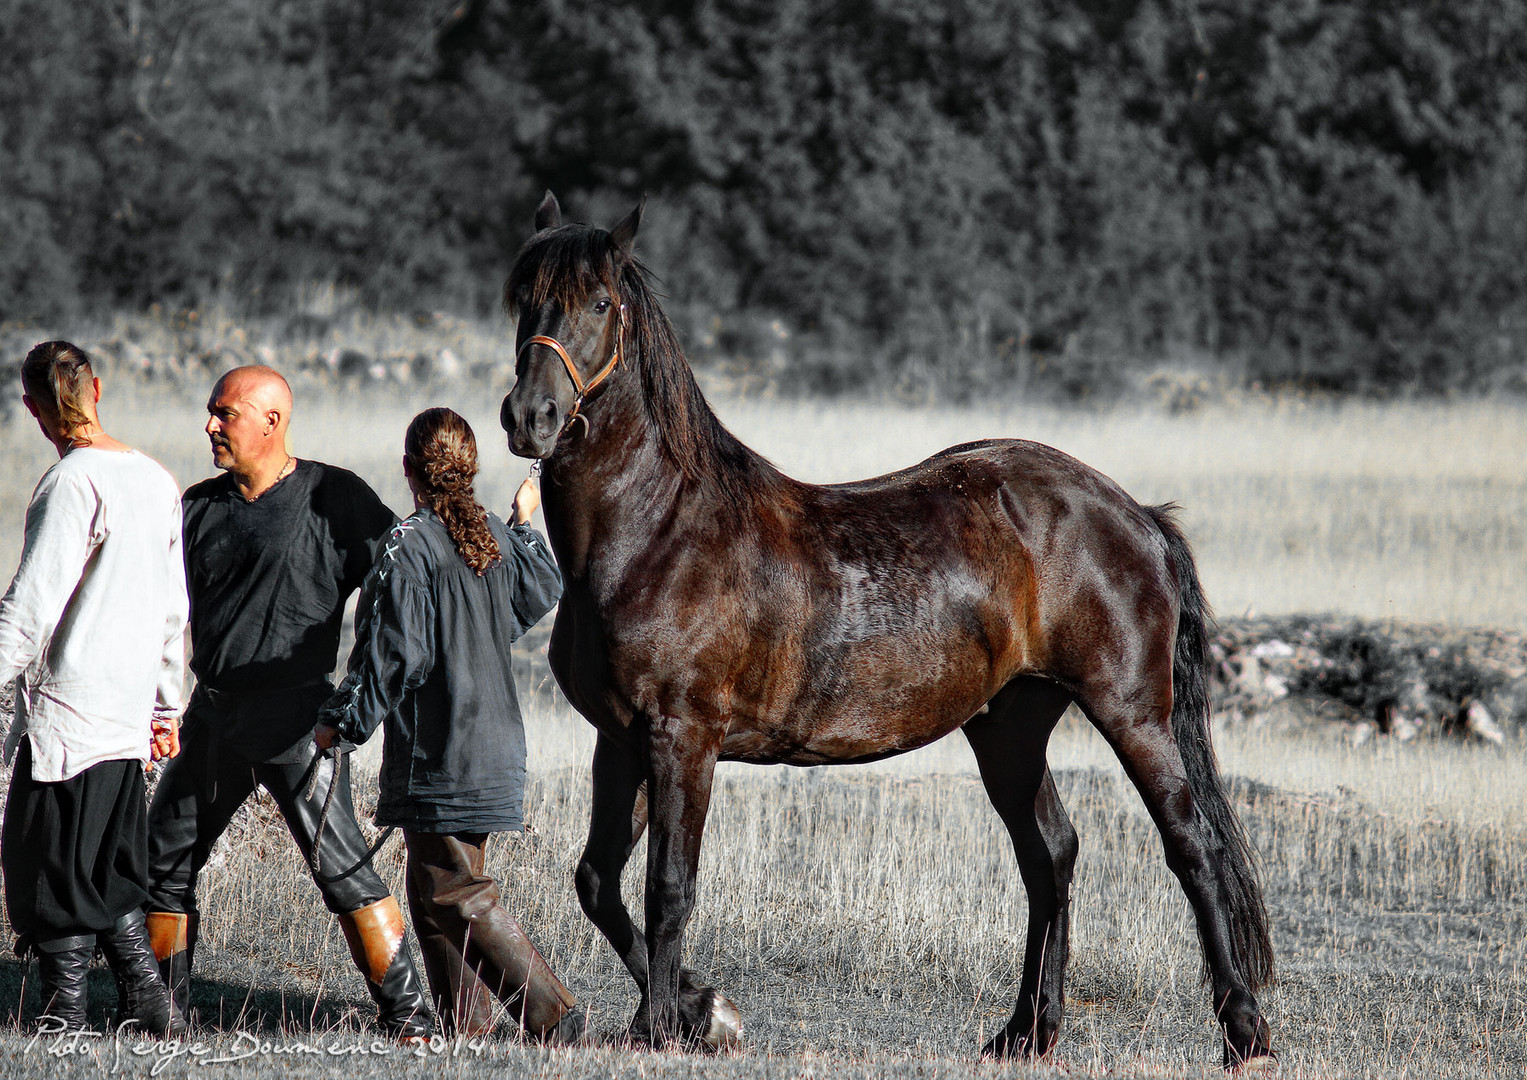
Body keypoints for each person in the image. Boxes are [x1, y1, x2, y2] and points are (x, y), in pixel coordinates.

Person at [142, 365, 431, 1038]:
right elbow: (153, 608)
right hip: (212, 719)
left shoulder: (336, 495)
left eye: (226, 413)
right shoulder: (197, 507)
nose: (210, 425)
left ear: (271, 421)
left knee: (343, 873)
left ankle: (410, 1017)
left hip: (302, 725)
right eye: (210, 413)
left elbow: (403, 584)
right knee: (164, 863)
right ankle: (164, 1015)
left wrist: (368, 693)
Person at [313, 407, 580, 1042]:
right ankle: (470, 1030)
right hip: (495, 746)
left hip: (446, 749)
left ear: (410, 470)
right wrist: (524, 526)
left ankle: (556, 1020)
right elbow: (539, 592)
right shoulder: (488, 532)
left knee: (457, 891)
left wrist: (342, 724)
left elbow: (396, 655)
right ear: (470, 469)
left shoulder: (409, 545)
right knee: (434, 893)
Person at [0, 341, 187, 1036]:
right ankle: (147, 998)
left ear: (32, 408)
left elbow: (30, 606)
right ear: (98, 389)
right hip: (127, 705)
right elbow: (175, 609)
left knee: (48, 865)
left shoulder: (72, 482)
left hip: (69, 710)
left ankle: (65, 1016)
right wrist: (167, 705)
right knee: (102, 860)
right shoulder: (155, 479)